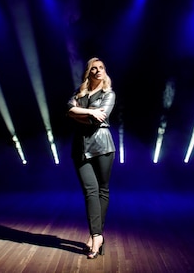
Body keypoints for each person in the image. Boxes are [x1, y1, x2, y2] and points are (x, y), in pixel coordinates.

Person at [66, 57, 117, 259]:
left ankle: (95, 236)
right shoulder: (79, 93)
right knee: (90, 191)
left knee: (102, 191)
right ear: (88, 72)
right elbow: (68, 110)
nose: (98, 70)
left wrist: (81, 114)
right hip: (80, 147)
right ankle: (97, 235)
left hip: (103, 146)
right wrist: (88, 111)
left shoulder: (109, 94)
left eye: (101, 67)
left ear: (104, 71)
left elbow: (98, 118)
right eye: (93, 68)